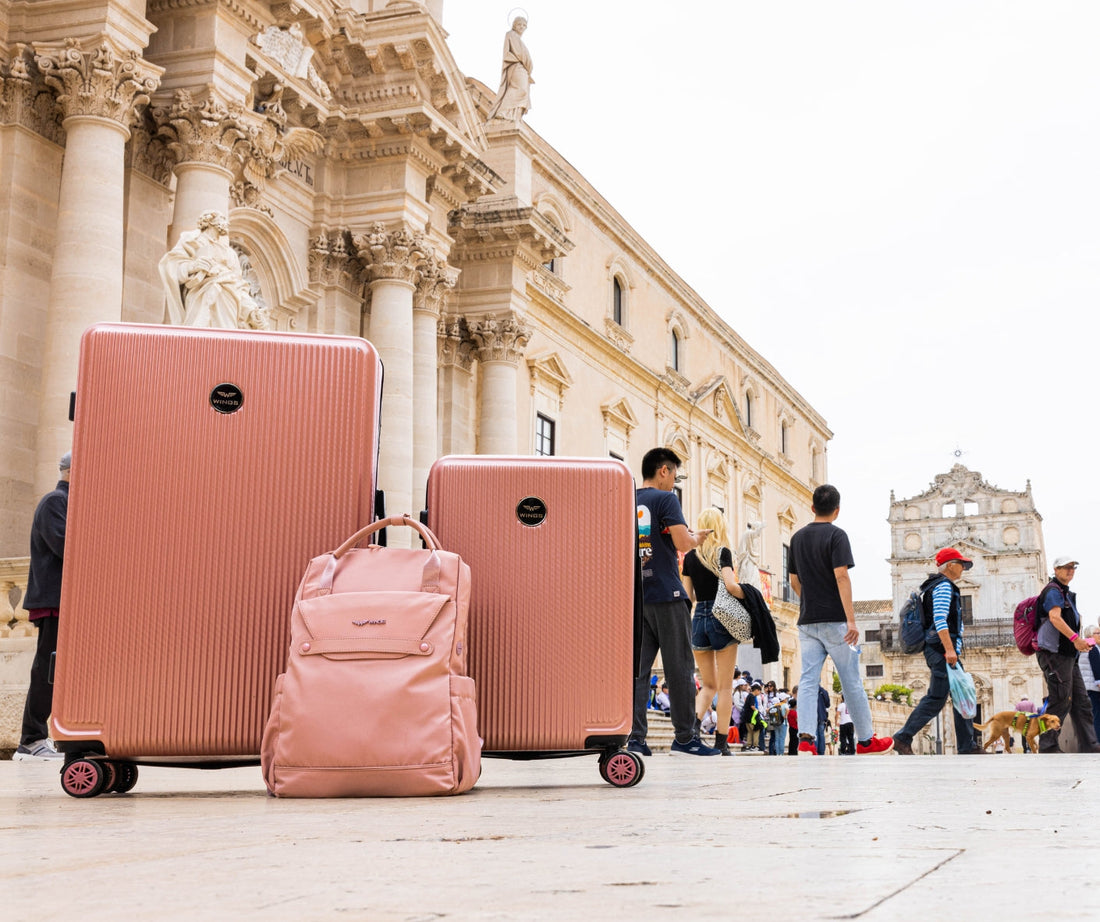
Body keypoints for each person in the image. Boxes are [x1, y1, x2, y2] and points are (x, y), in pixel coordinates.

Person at [629, 447, 720, 756]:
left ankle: (636, 738)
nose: (674, 483)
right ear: (663, 471)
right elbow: (683, 543)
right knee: (680, 667)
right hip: (668, 592)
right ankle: (685, 737)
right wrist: (697, 538)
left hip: (637, 595)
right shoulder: (667, 499)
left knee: (638, 672)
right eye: (675, 475)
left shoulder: (628, 499)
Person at [790, 484, 893, 755]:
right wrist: (852, 620)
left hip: (807, 621)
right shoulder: (837, 536)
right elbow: (842, 576)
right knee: (851, 682)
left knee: (808, 679)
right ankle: (867, 741)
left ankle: (805, 740)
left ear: (813, 508)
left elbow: (793, 580)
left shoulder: (797, 538)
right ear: (837, 510)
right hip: (836, 620)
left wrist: (808, 602)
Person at [892, 548, 982, 755]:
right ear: (950, 565)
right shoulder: (943, 587)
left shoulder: (937, 586)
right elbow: (940, 619)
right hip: (942, 649)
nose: (963, 568)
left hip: (941, 648)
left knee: (960, 692)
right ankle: (903, 737)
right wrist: (949, 650)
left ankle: (967, 745)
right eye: (961, 564)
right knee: (937, 697)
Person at [13, 451, 70, 760]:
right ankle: (31, 740)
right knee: (46, 670)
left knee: (58, 671)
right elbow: (65, 546)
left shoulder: (66, 503)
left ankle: (50, 735)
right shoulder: (54, 502)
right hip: (53, 601)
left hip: (65, 602)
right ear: (72, 472)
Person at [681, 507, 745, 756]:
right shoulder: (723, 553)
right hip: (723, 617)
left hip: (699, 618)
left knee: (708, 685)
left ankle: (692, 733)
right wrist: (747, 594)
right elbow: (730, 585)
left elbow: (688, 597)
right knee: (726, 686)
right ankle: (721, 742)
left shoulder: (689, 557)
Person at [159, 211, 270, 330]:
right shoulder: (192, 240)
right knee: (198, 337)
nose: (226, 222)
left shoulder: (230, 253)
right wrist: (193, 266)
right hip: (202, 296)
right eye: (221, 218)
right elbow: (171, 266)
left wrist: (251, 310)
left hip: (229, 302)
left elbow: (239, 285)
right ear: (209, 220)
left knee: (225, 340)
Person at [1033, 557, 1100, 753]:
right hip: (1055, 654)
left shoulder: (1066, 593)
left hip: (1070, 656)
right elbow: (1055, 617)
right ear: (1056, 569)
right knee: (1060, 698)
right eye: (1066, 567)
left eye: (1073, 567)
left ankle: (1090, 743)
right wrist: (1075, 639)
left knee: (1081, 701)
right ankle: (1048, 744)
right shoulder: (1053, 591)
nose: (1070, 570)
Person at [485, 16, 534, 121]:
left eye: (524, 25)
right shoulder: (511, 35)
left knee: (522, 91)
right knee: (520, 89)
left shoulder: (519, 40)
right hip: (516, 66)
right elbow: (519, 53)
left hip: (522, 68)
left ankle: (511, 115)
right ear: (514, 25)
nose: (522, 27)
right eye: (519, 24)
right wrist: (528, 64)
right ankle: (503, 111)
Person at [1078, 624, 1100, 746]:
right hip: (1093, 687)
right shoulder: (1092, 647)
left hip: (1086, 687)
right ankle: (1097, 741)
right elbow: (1096, 667)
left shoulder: (1083, 646)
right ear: (1091, 635)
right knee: (1097, 715)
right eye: (1098, 633)